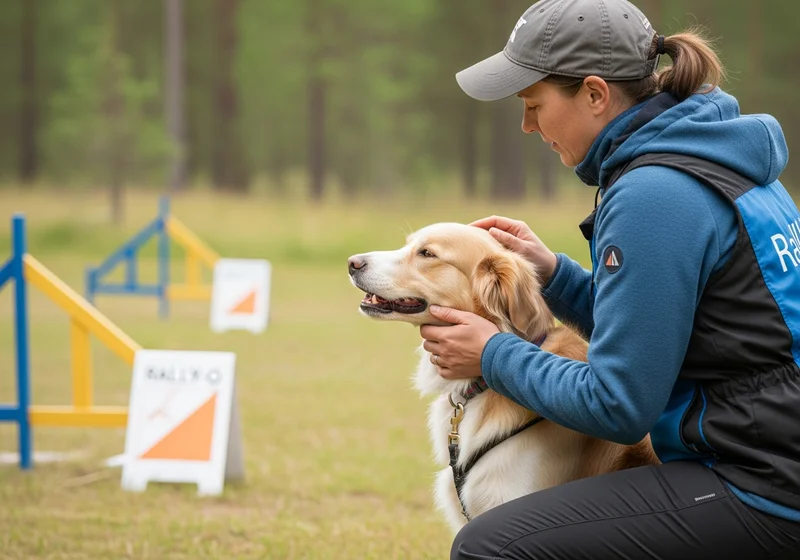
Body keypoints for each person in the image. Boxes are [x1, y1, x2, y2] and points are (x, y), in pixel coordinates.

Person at [418, 0, 800, 558]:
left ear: (595, 95)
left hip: (758, 485)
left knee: (491, 546)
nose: (528, 126)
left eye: (534, 104)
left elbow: (619, 406)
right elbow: (671, 331)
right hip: (775, 460)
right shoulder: (717, 157)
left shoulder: (654, 193)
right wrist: (555, 276)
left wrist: (492, 354)